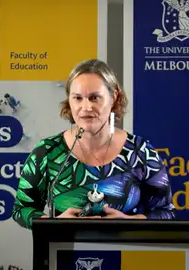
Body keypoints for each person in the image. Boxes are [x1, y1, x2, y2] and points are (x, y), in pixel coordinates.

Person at [12, 58, 175, 229]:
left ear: (113, 97)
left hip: (127, 252)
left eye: (94, 98)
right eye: (78, 98)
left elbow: (165, 211)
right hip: (62, 253)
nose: (86, 107)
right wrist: (54, 224)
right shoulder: (47, 151)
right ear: (69, 101)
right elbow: (21, 209)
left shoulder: (140, 151)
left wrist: (129, 223)